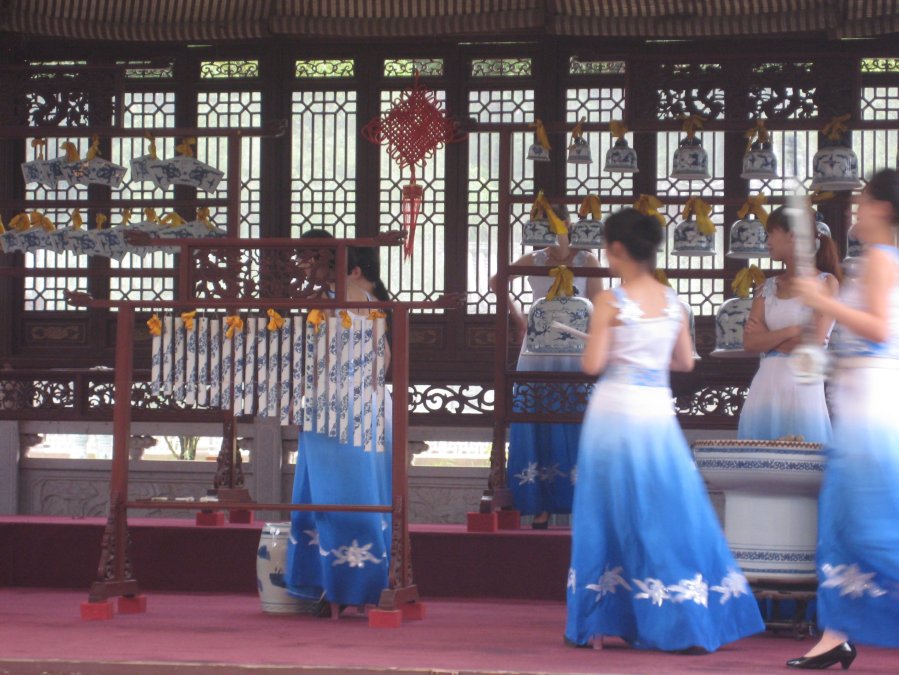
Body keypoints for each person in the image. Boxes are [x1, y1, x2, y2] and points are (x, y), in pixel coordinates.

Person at [565, 207, 764, 651]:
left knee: (609, 512)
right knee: (668, 509)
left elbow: (592, 364)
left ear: (616, 249)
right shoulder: (676, 303)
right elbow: (685, 363)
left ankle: (601, 617)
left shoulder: (609, 302)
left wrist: (611, 342)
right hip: (657, 411)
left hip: (615, 413)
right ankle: (685, 618)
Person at [788, 169, 899, 669]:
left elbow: (876, 329)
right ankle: (835, 636)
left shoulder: (880, 259)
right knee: (841, 523)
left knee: (871, 525)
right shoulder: (871, 261)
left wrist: (821, 302)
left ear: (882, 207)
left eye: (863, 199)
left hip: (872, 407)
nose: (856, 207)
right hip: (859, 398)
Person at [285, 238, 393, 618]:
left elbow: (321, 355)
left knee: (330, 495)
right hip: (370, 401)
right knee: (366, 493)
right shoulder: (368, 296)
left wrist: (302, 396)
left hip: (333, 403)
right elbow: (384, 358)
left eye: (307, 259)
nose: (302, 267)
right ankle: (367, 588)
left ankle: (331, 590)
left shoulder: (333, 297)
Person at [490, 204, 602, 529]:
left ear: (567, 223)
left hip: (576, 352)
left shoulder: (587, 260)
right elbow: (497, 281)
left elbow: (600, 306)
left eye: (549, 223)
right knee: (536, 419)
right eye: (538, 225)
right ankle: (538, 504)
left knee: (577, 419)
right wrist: (518, 318)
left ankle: (578, 502)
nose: (544, 231)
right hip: (538, 350)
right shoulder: (534, 260)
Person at [739, 206, 841, 444]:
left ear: (792, 235)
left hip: (803, 390)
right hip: (764, 390)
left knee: (802, 469)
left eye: (771, 233)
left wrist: (769, 338)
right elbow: (750, 342)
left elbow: (814, 343)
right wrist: (794, 331)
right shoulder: (767, 286)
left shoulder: (826, 283)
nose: (767, 241)